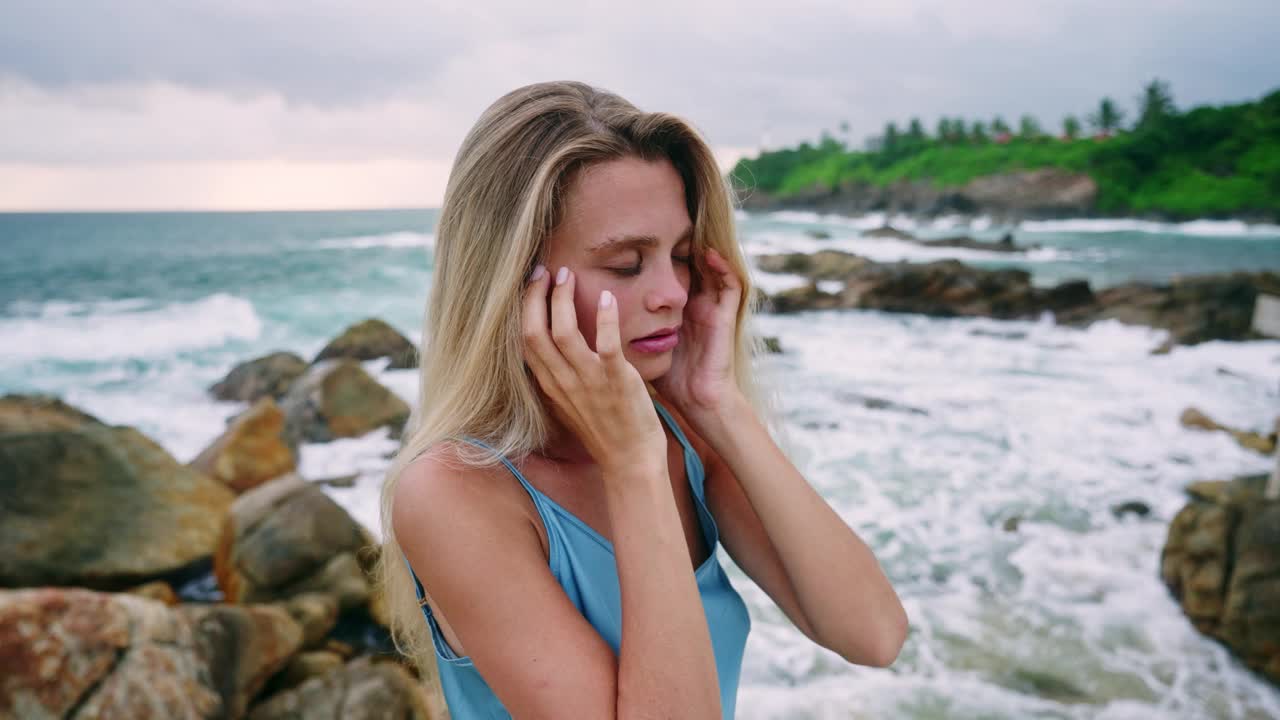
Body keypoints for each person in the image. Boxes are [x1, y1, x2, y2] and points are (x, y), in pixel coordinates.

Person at [376, 80, 907, 719]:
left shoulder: (688, 437)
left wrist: (719, 405)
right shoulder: (455, 492)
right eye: (628, 265)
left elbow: (873, 635)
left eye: (681, 256)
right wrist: (633, 467)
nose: (672, 293)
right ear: (515, 283)